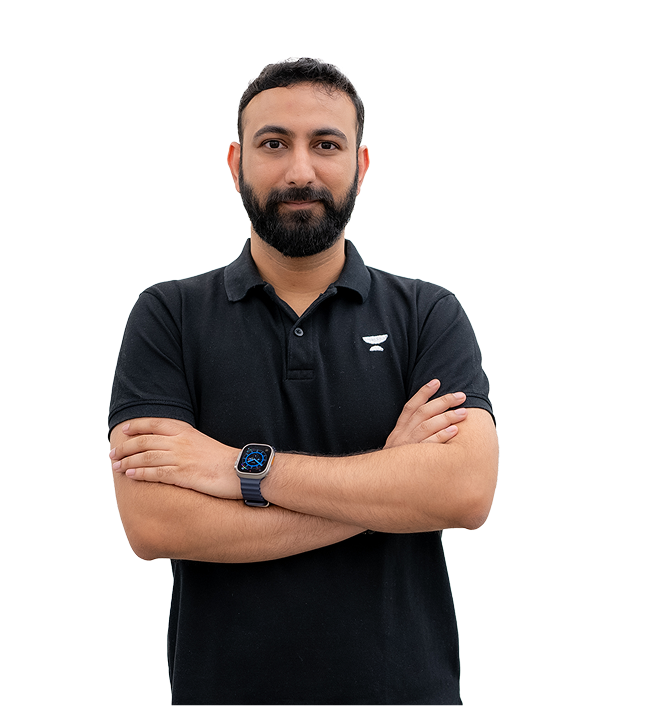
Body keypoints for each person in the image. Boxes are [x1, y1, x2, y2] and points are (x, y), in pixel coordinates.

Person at [108, 55, 499, 706]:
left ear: (361, 165)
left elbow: (464, 491)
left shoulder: (428, 312)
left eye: (326, 144)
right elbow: (154, 524)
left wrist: (237, 470)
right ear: (235, 162)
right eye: (273, 143)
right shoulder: (166, 315)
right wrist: (389, 487)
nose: (299, 171)